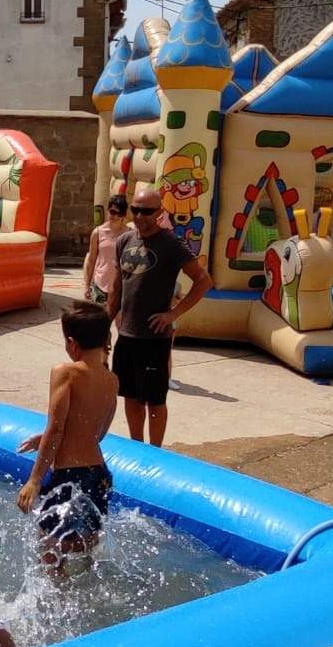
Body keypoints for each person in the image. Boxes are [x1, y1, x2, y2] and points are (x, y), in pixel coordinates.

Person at [16, 302, 119, 572]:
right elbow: (98, 432)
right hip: (98, 472)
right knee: (87, 543)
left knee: (49, 548)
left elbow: (57, 428)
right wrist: (44, 436)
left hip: (69, 476)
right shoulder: (111, 379)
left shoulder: (66, 372)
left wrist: (35, 480)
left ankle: (58, 603)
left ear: (72, 343)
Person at [107, 186, 212, 446]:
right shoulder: (124, 241)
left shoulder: (170, 243)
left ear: (159, 213)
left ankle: (156, 452)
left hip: (154, 337)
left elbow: (203, 280)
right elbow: (117, 286)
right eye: (136, 209)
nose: (140, 216)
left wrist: (173, 313)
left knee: (155, 399)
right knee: (130, 395)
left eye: (147, 211)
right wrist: (104, 325)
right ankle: (136, 445)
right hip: (127, 334)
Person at [82, 194, 129, 304]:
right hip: (100, 284)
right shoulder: (97, 233)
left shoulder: (129, 234)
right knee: (100, 320)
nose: (115, 216)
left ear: (124, 215)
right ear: (108, 211)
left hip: (121, 286)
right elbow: (91, 260)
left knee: (120, 320)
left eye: (119, 213)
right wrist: (86, 285)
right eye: (113, 212)